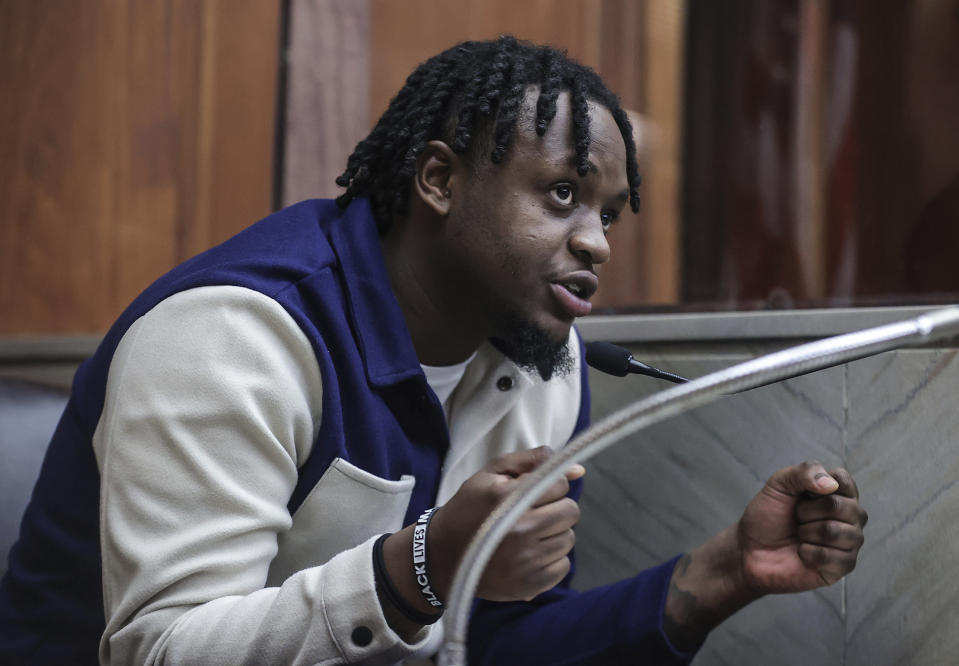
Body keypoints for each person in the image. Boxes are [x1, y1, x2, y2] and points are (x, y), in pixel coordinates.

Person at [0, 36, 867, 665]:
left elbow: (492, 642)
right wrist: (417, 566)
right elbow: (163, 651)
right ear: (440, 180)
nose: (596, 243)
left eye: (604, 213)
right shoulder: (233, 335)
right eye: (560, 194)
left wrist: (722, 573)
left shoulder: (542, 357)